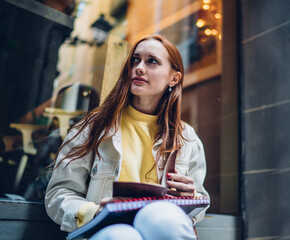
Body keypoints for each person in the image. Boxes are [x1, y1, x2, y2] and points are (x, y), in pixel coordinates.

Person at [45, 34, 209, 240]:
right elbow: (58, 194)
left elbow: (200, 205)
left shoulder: (186, 138)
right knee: (121, 236)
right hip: (104, 230)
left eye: (152, 61)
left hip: (162, 227)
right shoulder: (94, 127)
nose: (139, 67)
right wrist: (93, 212)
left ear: (173, 78)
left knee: (164, 218)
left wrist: (191, 198)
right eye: (135, 60)